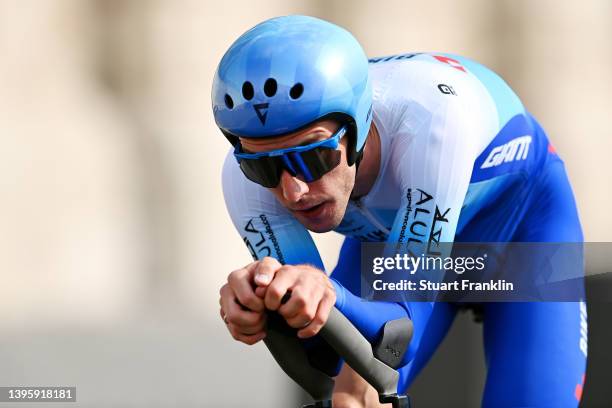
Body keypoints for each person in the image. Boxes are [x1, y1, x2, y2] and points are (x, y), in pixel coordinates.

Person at [212, 15, 587, 407]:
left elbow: (396, 338)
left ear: (358, 128)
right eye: (263, 166)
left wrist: (328, 293)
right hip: (398, 240)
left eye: (313, 158)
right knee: (350, 402)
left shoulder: (432, 121)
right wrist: (265, 304)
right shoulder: (242, 181)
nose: (293, 190)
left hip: (520, 235)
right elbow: (322, 359)